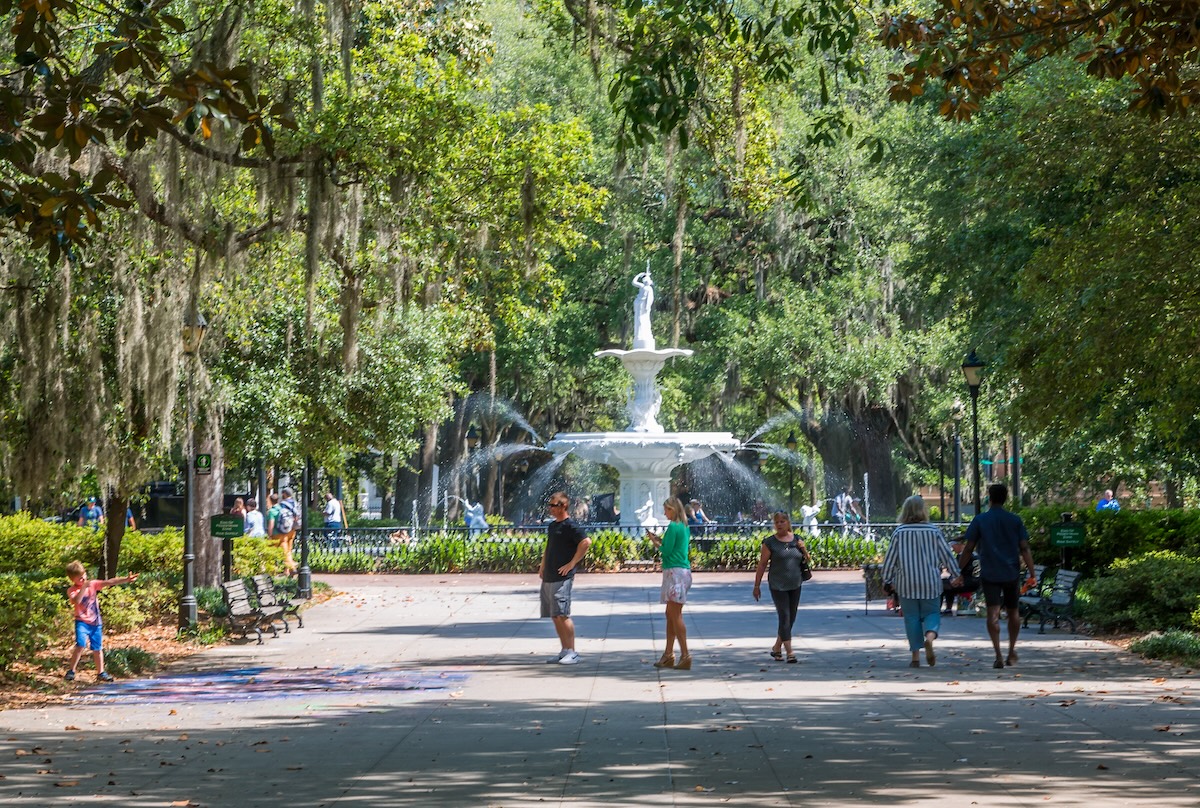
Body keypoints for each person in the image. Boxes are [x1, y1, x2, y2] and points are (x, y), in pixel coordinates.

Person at [960, 483, 1038, 669]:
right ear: (1006, 498)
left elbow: (969, 548)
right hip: (1011, 572)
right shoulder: (1015, 520)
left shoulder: (980, 520)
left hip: (990, 572)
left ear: (990, 497)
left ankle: (998, 655)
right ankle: (1011, 650)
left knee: (993, 614)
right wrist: (1032, 573)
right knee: (1013, 612)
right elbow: (1024, 548)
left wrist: (958, 569)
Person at [882, 496, 962, 667]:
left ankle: (915, 658)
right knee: (932, 613)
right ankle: (930, 638)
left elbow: (890, 560)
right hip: (930, 582)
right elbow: (946, 556)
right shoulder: (934, 531)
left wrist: (887, 580)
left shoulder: (899, 532)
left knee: (911, 618)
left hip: (906, 582)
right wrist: (956, 574)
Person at [64, 560, 138, 682]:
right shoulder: (72, 590)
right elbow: (76, 601)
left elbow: (108, 582)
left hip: (95, 622)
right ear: (73, 580)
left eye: (84, 576)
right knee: (80, 645)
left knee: (97, 649)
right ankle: (71, 671)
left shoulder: (92, 584)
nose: (83, 579)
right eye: (79, 579)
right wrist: (83, 587)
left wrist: (126, 579)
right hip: (81, 621)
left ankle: (101, 673)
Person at [753, 511, 811, 664]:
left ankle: (777, 647)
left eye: (782, 521)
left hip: (795, 583)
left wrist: (803, 548)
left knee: (791, 617)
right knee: (784, 616)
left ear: (788, 522)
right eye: (777, 522)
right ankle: (790, 652)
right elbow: (762, 565)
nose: (779, 524)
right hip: (778, 585)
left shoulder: (797, 539)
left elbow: (807, 559)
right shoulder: (769, 542)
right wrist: (757, 585)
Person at [540, 492, 591, 665]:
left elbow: (586, 542)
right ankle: (564, 650)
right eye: (550, 505)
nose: (550, 508)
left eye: (553, 505)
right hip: (550, 574)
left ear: (563, 506)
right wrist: (542, 565)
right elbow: (549, 547)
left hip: (563, 576)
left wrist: (572, 563)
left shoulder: (571, 526)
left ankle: (573, 651)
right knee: (554, 615)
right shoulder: (553, 526)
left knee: (563, 614)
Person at [647, 497, 693, 670]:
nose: (664, 512)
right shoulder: (683, 526)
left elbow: (666, 550)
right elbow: (674, 547)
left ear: (673, 510)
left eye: (666, 509)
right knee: (670, 614)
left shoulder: (674, 526)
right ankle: (668, 654)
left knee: (675, 615)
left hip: (675, 573)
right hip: (679, 572)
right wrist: (659, 539)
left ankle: (685, 654)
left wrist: (654, 541)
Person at [632, 267, 656, 350]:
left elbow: (650, 299)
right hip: (639, 304)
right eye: (645, 280)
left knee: (643, 320)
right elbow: (634, 282)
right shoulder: (642, 286)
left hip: (643, 305)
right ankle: (638, 335)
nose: (646, 281)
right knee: (638, 320)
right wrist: (639, 275)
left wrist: (647, 307)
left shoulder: (649, 289)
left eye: (647, 280)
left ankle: (643, 334)